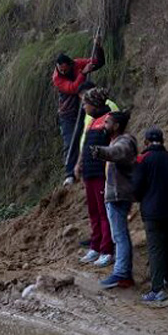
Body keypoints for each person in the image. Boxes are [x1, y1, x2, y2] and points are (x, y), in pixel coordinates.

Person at [133, 126, 168, 303]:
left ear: (146, 142)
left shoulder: (142, 160)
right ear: (162, 141)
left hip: (152, 212)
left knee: (155, 248)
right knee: (166, 244)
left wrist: (140, 199)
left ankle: (157, 289)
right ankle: (165, 279)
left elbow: (136, 188)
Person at [91, 110, 138, 289]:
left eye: (107, 122)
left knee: (119, 236)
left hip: (119, 195)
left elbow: (117, 153)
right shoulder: (117, 141)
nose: (104, 125)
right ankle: (123, 274)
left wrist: (100, 151)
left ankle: (121, 274)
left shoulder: (125, 141)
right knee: (119, 235)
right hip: (115, 194)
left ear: (116, 126)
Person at [53, 39, 104, 186]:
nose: (62, 71)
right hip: (67, 114)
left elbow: (97, 63)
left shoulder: (76, 64)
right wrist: (84, 72)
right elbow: (73, 88)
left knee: (88, 137)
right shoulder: (57, 78)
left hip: (85, 108)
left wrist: (98, 49)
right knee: (70, 142)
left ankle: (88, 165)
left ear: (70, 64)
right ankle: (69, 174)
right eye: (60, 69)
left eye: (65, 69)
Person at [75, 88, 116, 267]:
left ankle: (107, 250)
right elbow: (86, 145)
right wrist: (80, 164)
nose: (83, 106)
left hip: (101, 172)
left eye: (85, 103)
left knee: (103, 213)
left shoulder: (108, 120)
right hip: (89, 173)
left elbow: (113, 146)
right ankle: (95, 246)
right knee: (93, 212)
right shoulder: (92, 121)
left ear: (94, 104)